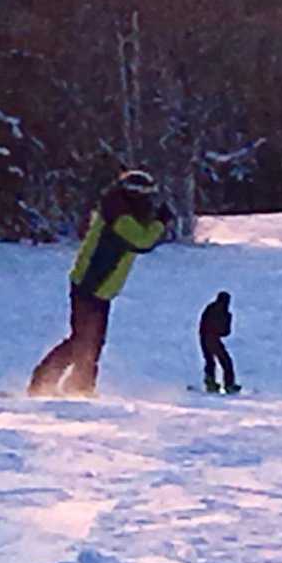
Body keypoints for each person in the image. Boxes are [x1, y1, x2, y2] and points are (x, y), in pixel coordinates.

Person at [29, 169, 172, 396]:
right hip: (91, 282)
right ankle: (43, 382)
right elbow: (142, 241)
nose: (149, 201)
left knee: (93, 340)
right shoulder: (119, 215)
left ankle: (80, 384)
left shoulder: (122, 211)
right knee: (83, 339)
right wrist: (160, 223)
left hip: (102, 286)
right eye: (146, 196)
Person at [199, 290, 238, 393]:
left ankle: (211, 383)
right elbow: (223, 331)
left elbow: (225, 332)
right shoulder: (217, 311)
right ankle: (227, 384)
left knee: (211, 361)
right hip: (210, 337)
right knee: (225, 361)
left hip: (206, 337)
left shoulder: (215, 310)